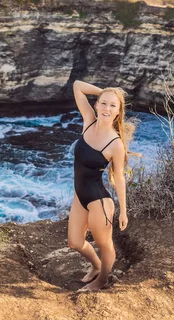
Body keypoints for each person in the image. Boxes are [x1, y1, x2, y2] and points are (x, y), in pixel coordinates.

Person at [68, 80, 136, 292]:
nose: (107, 109)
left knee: (105, 245)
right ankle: (97, 266)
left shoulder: (115, 144)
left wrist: (123, 211)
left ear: (118, 112)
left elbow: (119, 178)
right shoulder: (88, 120)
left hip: (99, 201)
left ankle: (102, 280)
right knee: (75, 242)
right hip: (80, 196)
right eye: (103, 104)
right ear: (96, 105)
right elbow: (78, 86)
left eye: (113, 106)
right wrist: (107, 94)